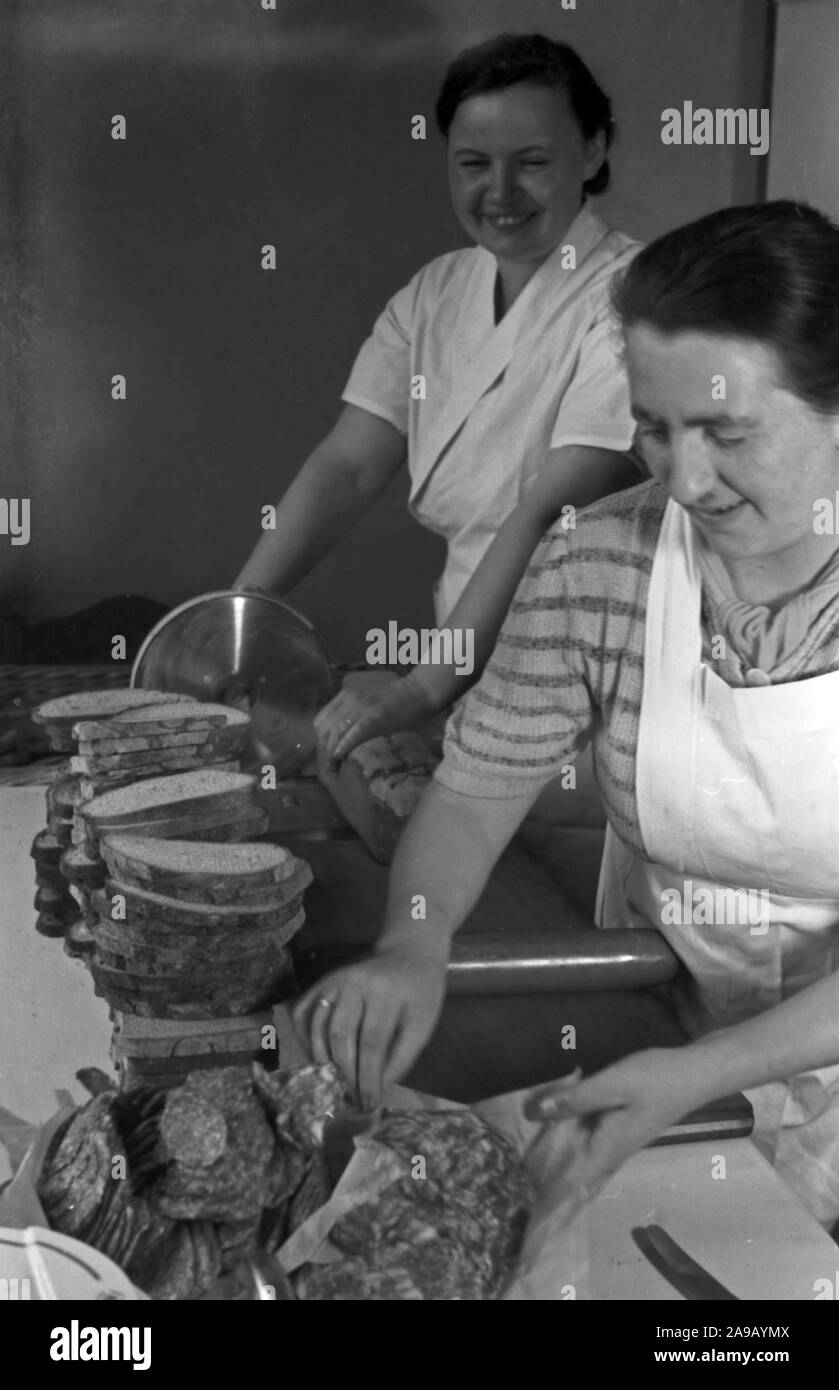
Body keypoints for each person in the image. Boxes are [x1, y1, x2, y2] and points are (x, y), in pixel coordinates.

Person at [295, 200, 839, 1229]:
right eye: (652, 426)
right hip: (675, 1038)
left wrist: (694, 1076)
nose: (681, 478)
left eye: (726, 433)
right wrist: (415, 941)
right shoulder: (600, 559)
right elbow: (472, 788)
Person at [236, 34, 642, 754]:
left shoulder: (633, 295)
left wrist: (421, 686)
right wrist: (240, 618)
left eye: (533, 163)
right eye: (473, 164)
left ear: (594, 151)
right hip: (462, 651)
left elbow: (550, 509)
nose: (500, 193)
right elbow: (347, 465)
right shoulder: (434, 292)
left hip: (585, 667)